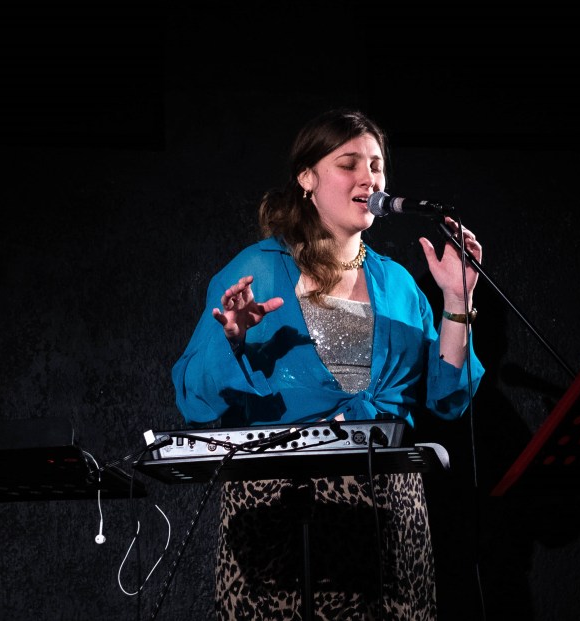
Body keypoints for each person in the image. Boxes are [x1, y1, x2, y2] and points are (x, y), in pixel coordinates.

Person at [171, 107, 485, 620]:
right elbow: (195, 397)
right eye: (349, 163)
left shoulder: (399, 284)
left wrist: (457, 299)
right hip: (279, 510)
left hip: (386, 511)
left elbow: (448, 396)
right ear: (307, 178)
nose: (369, 178)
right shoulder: (257, 270)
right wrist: (232, 341)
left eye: (377, 165)